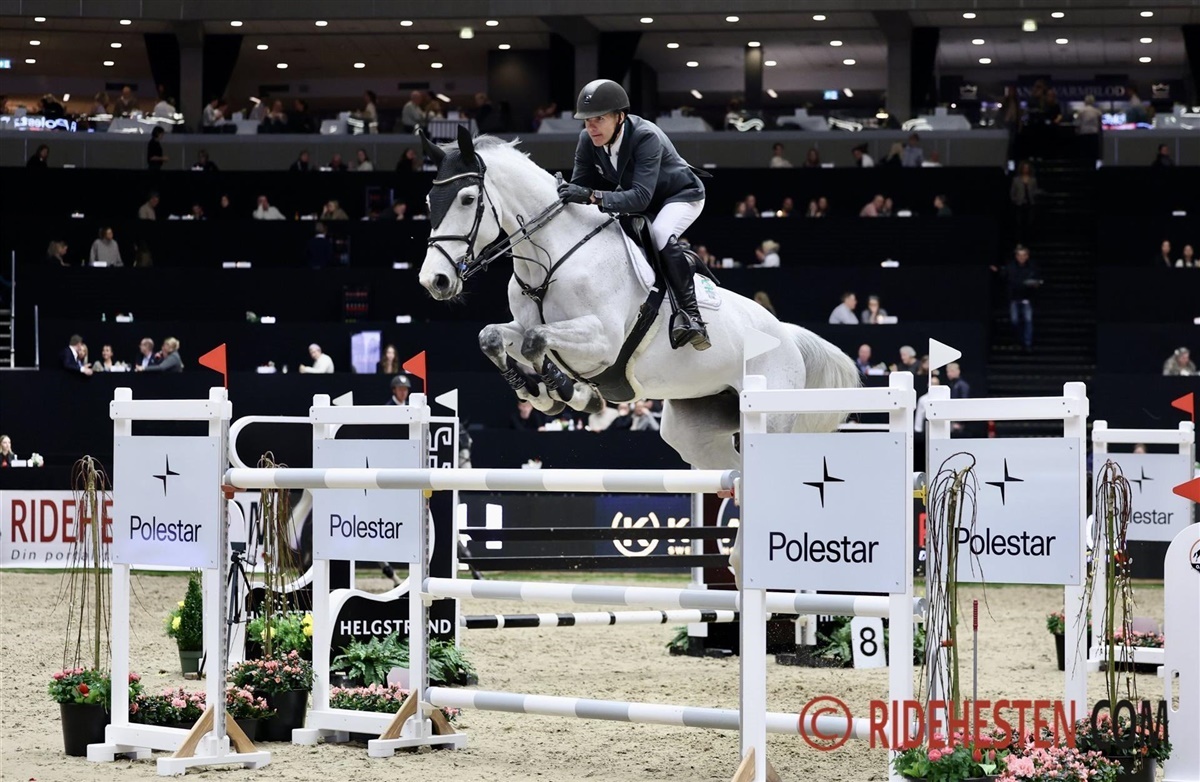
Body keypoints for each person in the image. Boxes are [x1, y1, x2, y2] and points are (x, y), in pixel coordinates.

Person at [558, 79, 710, 350]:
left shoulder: (645, 136)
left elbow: (639, 198)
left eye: (599, 119)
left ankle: (691, 317)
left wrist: (593, 196)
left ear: (620, 117)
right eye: (587, 121)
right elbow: (580, 188)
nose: (591, 127)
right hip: (642, 199)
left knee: (661, 233)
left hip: (680, 196)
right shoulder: (587, 140)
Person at [993, 244, 1042, 352]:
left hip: (1027, 298)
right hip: (1014, 298)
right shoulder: (1011, 267)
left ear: (1027, 256)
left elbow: (1037, 280)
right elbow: (1004, 276)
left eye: (1024, 255)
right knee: (1014, 321)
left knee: (1028, 321)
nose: (1021, 257)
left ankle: (1027, 343)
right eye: (1019, 255)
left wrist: (1035, 284)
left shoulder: (1032, 267)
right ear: (1016, 256)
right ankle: (1020, 339)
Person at [1010, 161, 1038, 242]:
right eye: (1024, 168)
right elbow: (1012, 192)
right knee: (1019, 223)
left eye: (1027, 168)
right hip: (1020, 203)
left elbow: (1035, 190)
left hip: (1030, 203)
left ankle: (1028, 239)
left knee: (1029, 222)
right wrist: (1015, 200)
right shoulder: (1016, 180)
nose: (1026, 169)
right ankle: (1019, 240)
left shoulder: (1033, 180)